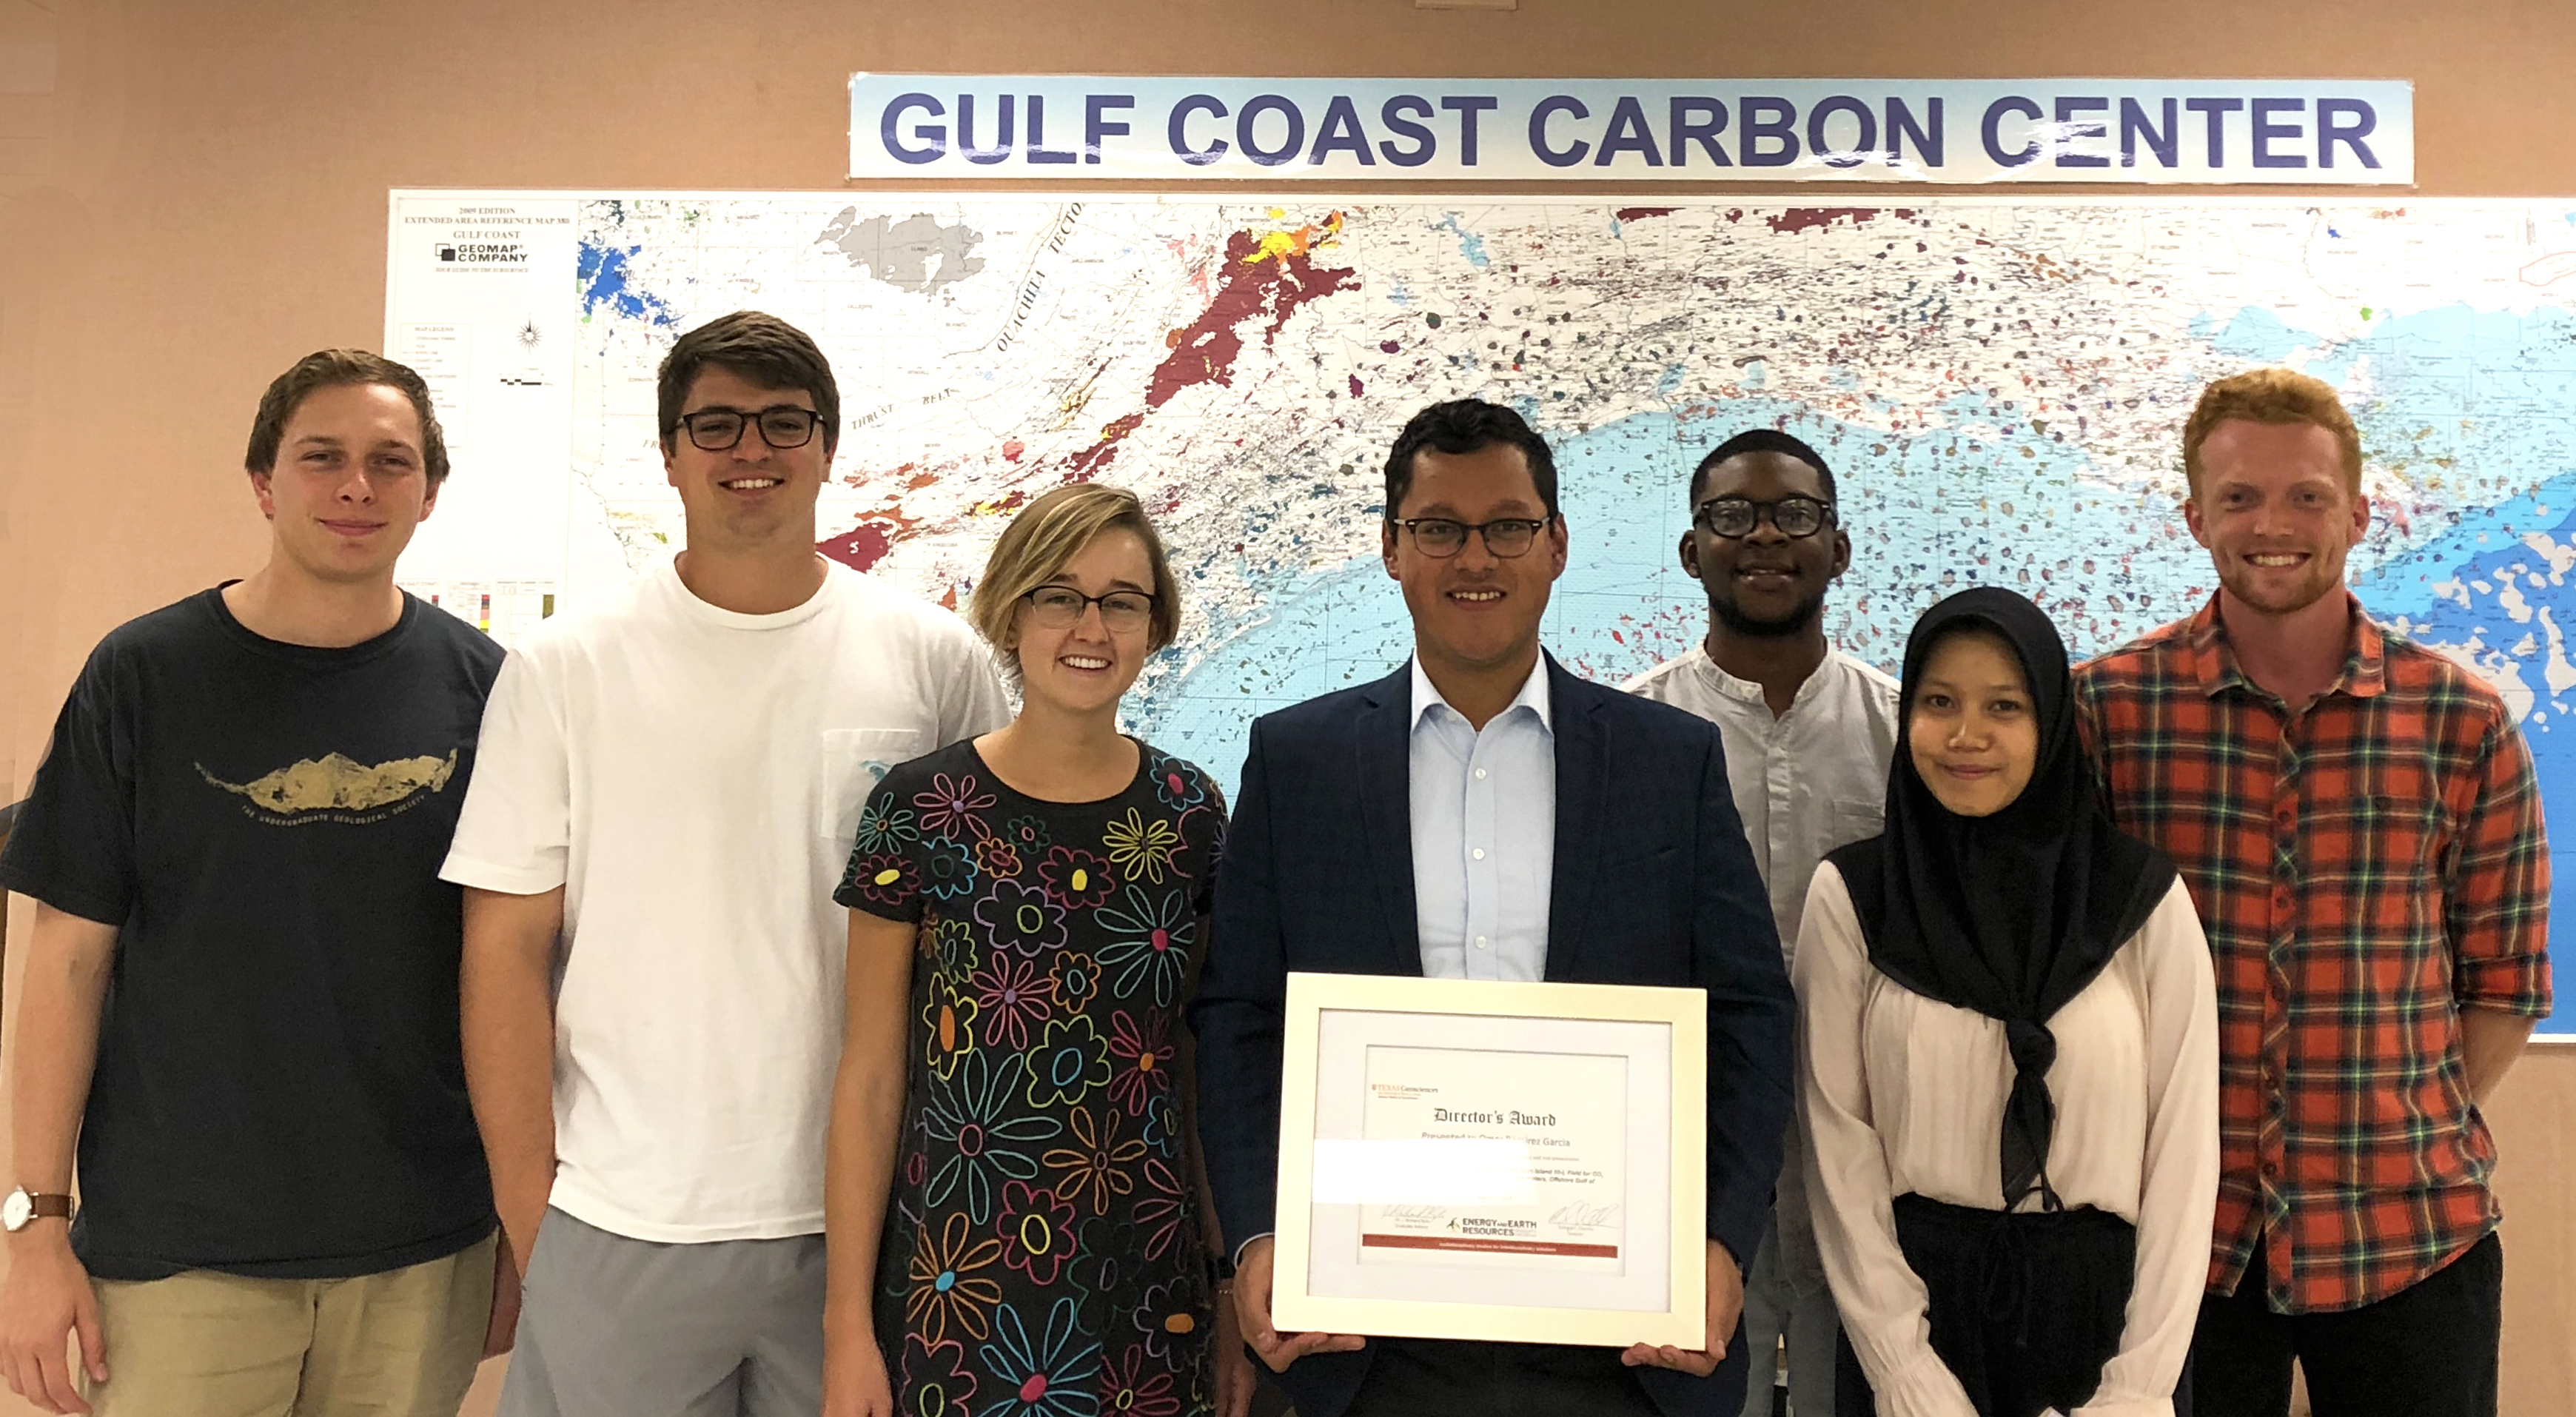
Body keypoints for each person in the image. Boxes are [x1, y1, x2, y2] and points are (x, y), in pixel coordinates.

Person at [445, 311, 1011, 1417]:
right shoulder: (565, 666)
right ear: (669, 454)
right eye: (716, 425)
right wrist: (535, 1223)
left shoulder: (935, 660)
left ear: (828, 447)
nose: (751, 450)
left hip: (868, 1221)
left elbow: (981, 944)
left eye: (782, 422)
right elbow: (504, 952)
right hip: (624, 1220)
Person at [1189, 398, 1797, 1417]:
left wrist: (1721, 1239)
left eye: (1508, 525)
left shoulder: (1668, 760)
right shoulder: (1298, 761)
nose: (1476, 557)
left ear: (1556, 543)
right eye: (1438, 528)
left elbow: (1750, 1014)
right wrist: (1255, 1234)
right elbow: (1242, 1014)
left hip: (1624, 1334)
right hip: (1368, 1332)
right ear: (1390, 548)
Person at [0, 350, 509, 1416]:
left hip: (418, 1251)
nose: (357, 487)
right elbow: (66, 962)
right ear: (264, 483)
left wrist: (514, 1220)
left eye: (391, 461)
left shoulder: (488, 690)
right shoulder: (142, 676)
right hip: (181, 1255)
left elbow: (513, 977)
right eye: (322, 457)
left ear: (430, 490)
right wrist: (35, 1226)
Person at [2071, 369, 2552, 1417]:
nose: (2272, 524)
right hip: (2175, 1249)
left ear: (2359, 512)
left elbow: (2506, 985)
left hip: (2412, 1242)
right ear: (2195, 514)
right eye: (2239, 497)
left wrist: (2393, 1124)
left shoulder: (2462, 723)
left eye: (2307, 496)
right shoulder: (2107, 711)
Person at [822, 483, 1256, 1417]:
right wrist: (846, 1332)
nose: (1088, 626)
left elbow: (1197, 1068)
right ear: (1011, 612)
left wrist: (1225, 1290)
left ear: (1154, 624)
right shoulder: (921, 809)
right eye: (1058, 595)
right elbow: (868, 1078)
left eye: (1121, 600)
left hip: (1148, 1285)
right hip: (957, 1287)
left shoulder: (1190, 815)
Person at [1799, 587, 2218, 1417]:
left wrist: (2138, 1387)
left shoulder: (2138, 899)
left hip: (2108, 1324)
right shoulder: (1856, 897)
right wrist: (1904, 1373)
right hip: (1917, 1314)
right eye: (1939, 703)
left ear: (2052, 723)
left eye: (2005, 706)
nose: (1967, 736)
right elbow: (1835, 1147)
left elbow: (2184, 1152)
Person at [1626, 429, 1896, 1417]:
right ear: (1694, 550)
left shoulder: (1907, 736)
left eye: (1797, 514)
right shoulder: (1627, 738)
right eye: (1733, 515)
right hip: (1682, 1168)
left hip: (1860, 1157)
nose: (1766, 536)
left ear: (1840, 547)